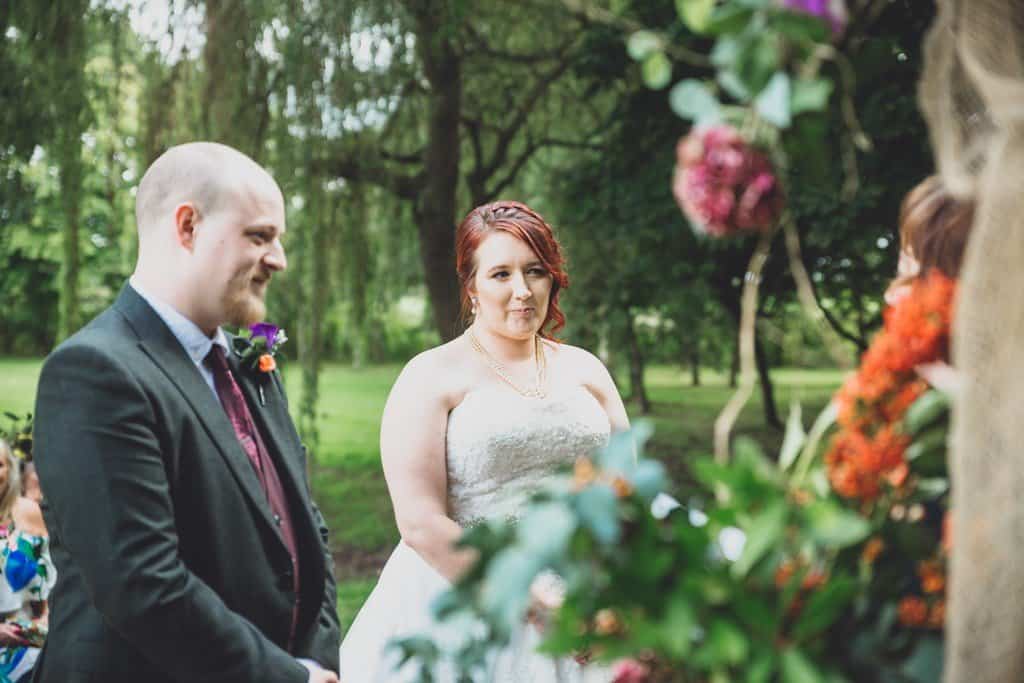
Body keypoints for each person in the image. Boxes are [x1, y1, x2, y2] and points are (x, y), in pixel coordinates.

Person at [32, 142, 340, 683]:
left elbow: (306, 526)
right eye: (260, 236)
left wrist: (317, 656)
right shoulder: (95, 372)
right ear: (188, 226)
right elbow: (143, 585)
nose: (279, 259)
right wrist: (291, 678)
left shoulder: (251, 365)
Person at [339, 200, 628, 681]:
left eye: (535, 271)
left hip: (592, 600)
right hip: (472, 604)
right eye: (500, 274)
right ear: (471, 285)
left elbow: (627, 493)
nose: (522, 291)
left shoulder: (585, 369)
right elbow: (420, 523)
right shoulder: (429, 377)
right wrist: (540, 606)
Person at [0, 440, 52, 683]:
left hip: (30, 651)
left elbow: (57, 572)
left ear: (10, 469)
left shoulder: (31, 513)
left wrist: (45, 619)